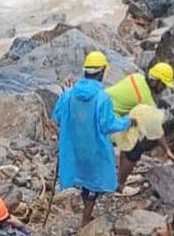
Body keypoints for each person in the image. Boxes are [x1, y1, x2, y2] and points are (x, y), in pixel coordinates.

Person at [53, 51, 136, 226]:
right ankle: (85, 219)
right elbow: (108, 125)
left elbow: (57, 117)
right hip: (95, 147)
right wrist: (129, 121)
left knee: (84, 180)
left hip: (75, 146)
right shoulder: (102, 97)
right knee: (93, 183)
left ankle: (86, 212)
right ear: (102, 72)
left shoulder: (69, 94)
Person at [106, 62, 174, 190]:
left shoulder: (137, 77)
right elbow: (156, 129)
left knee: (128, 138)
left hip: (105, 112)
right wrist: (166, 150)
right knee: (135, 150)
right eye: (164, 85)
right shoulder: (145, 97)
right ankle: (119, 185)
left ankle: (120, 176)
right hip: (107, 119)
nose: (164, 89)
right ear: (157, 82)